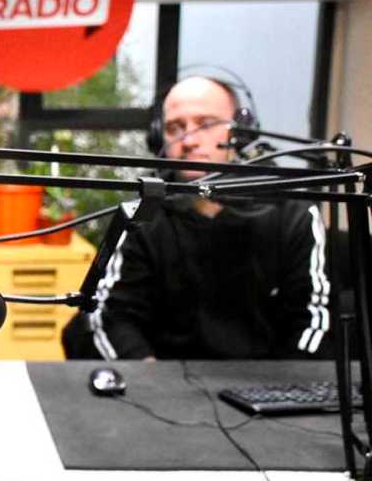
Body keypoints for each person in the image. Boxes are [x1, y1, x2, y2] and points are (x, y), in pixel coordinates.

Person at [85, 76, 331, 360]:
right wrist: (149, 376)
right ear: (158, 139)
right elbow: (113, 315)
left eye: (206, 124)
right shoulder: (143, 216)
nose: (189, 140)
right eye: (175, 128)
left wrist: (285, 384)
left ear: (242, 134)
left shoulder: (294, 215)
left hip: (269, 381)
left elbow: (312, 323)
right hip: (166, 380)